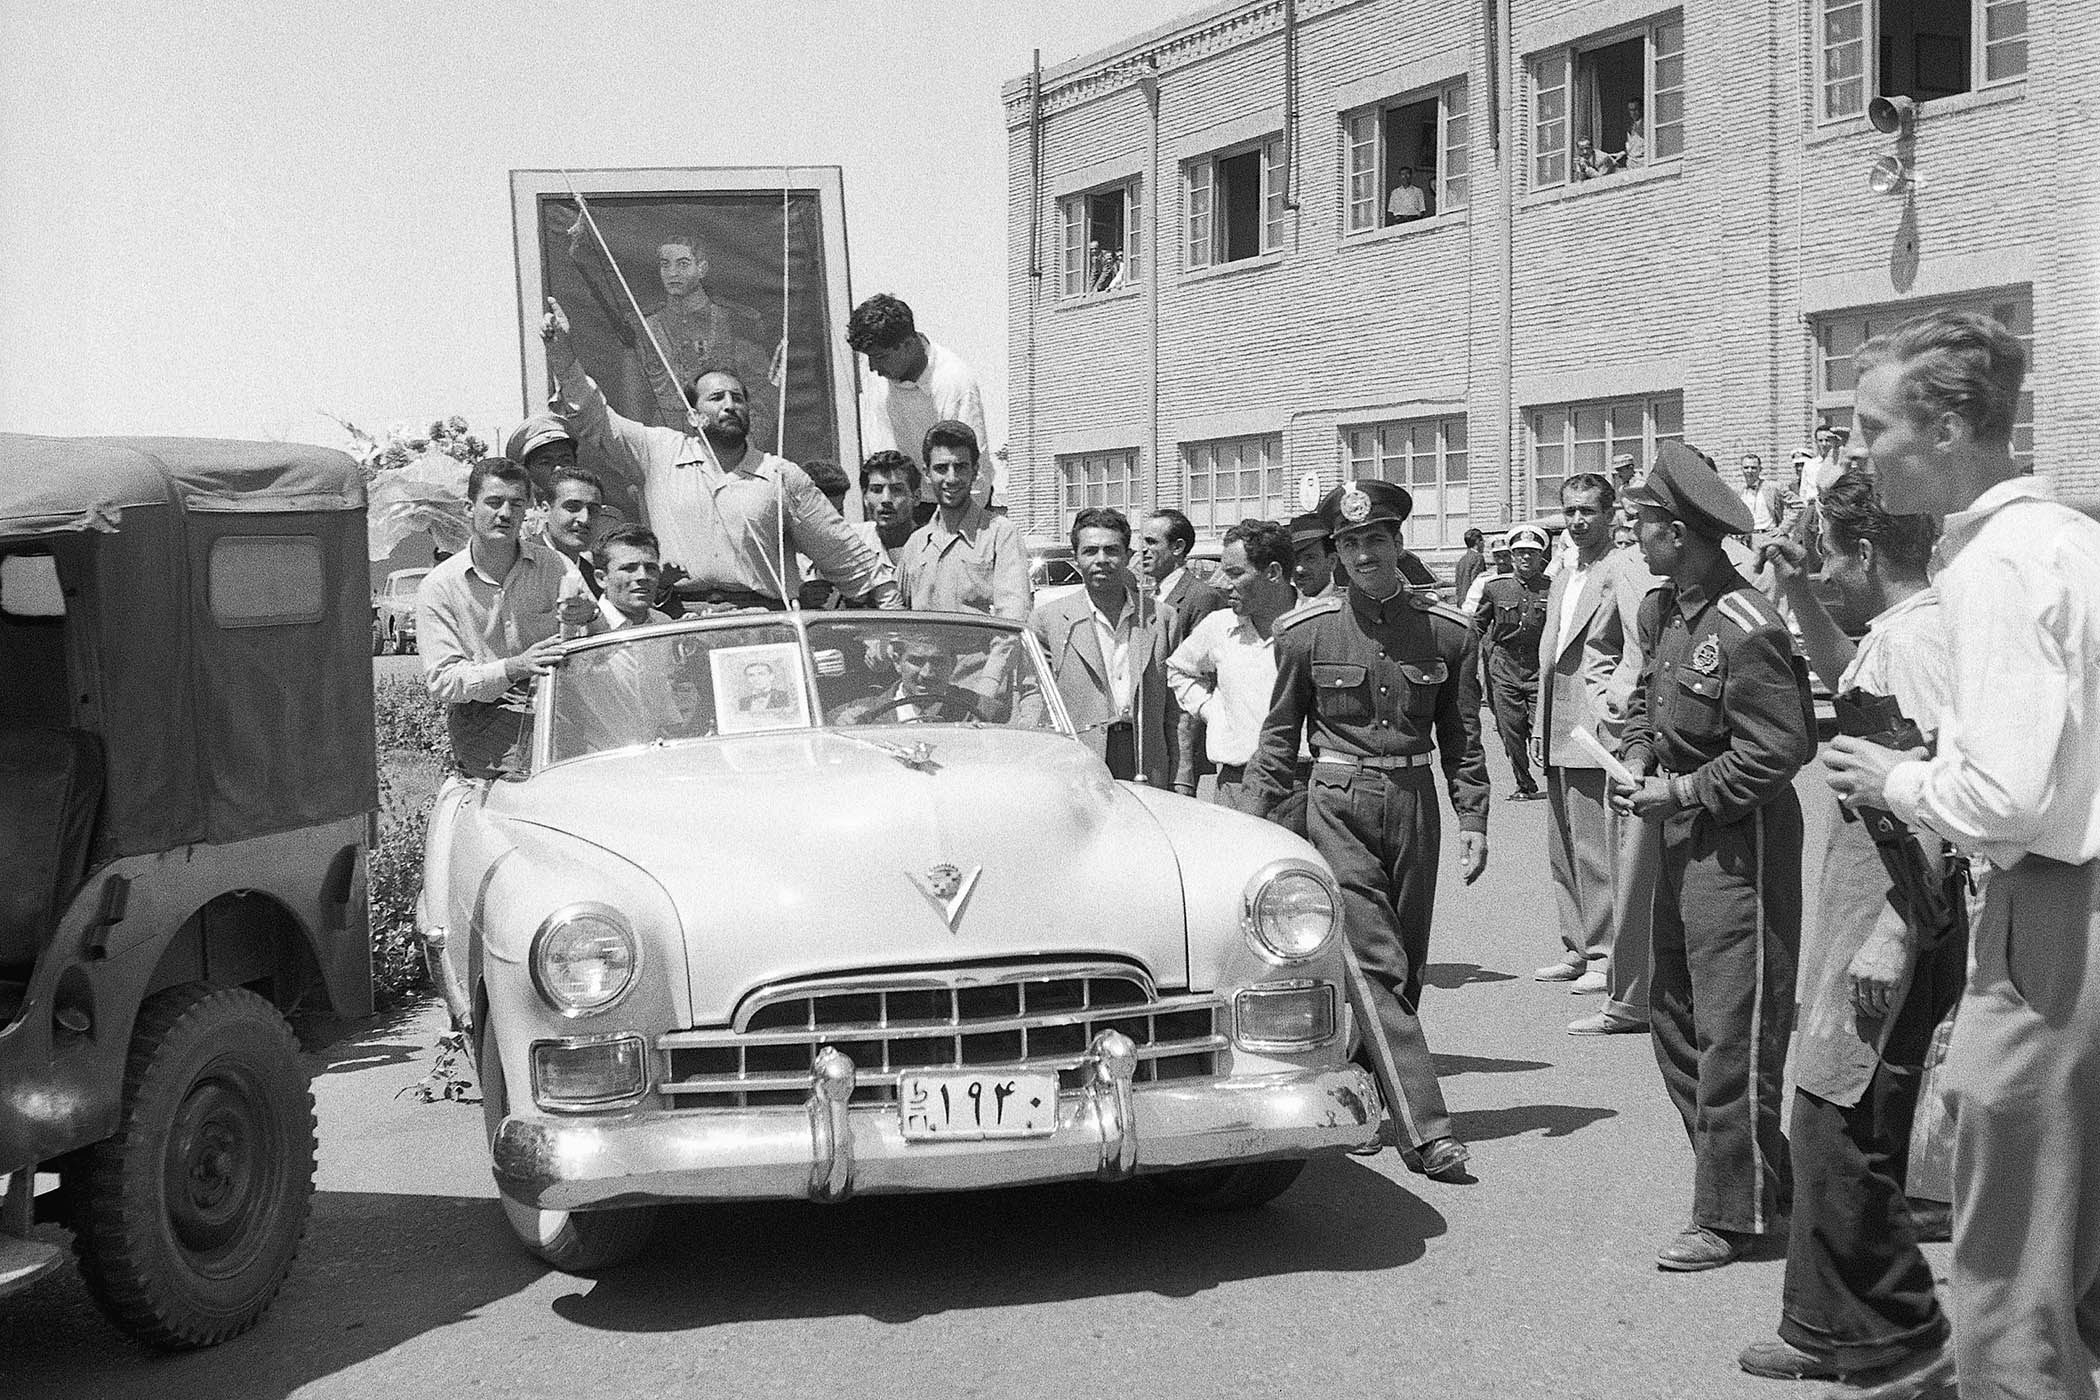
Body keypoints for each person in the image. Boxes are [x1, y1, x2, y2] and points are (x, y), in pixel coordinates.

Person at [1823, 310, 2100, 1400]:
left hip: (2052, 919)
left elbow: (2007, 794)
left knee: (2008, 1256)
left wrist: (1895, 779)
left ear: (1947, 425)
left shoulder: (1995, 563)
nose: (1860, 450)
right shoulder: (2074, 540)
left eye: (1872, 424)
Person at [1729, 471, 1965, 1391]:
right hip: (1874, 894)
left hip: (1892, 905)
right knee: (1832, 1108)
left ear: (1865, 552)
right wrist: (1794, 587)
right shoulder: (1905, 635)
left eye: (1829, 554)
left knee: (1840, 1122)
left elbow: (1939, 805)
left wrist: (1898, 932)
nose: (1824, 571)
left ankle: (1888, 1331)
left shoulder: (1921, 645)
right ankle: (1824, 1321)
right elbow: (1851, 675)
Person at [1241, 480, 1489, 1184]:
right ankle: (1427, 1131)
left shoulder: (1447, 631)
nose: (1363, 554)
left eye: (1375, 539)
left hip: (1414, 801)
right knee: (1376, 962)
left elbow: (1464, 739)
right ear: (1336, 555)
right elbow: (1278, 739)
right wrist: (1256, 825)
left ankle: (1360, 1084)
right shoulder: (1306, 633)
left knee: (1403, 965)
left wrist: (1474, 817)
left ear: (1398, 543)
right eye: (1349, 545)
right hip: (1338, 800)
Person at [1613, 443, 1817, 1272]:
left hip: (1740, 847)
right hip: (1679, 839)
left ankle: (1730, 1214)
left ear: (1683, 532)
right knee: (1674, 1019)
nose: (1637, 541)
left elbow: (1782, 748)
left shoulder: (1746, 626)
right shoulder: (1667, 613)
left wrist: (1687, 793)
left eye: (1645, 527)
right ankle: (1760, 1180)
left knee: (1735, 1030)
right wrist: (1633, 752)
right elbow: (1645, 705)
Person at [541, 296, 898, 614]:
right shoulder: (657, 452)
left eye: (737, 398)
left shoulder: (781, 476)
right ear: (693, 416)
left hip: (762, 623)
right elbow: (594, 416)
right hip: (679, 621)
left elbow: (847, 556)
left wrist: (894, 619)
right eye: (716, 399)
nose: (730, 405)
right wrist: (562, 354)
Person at [1532, 474, 1658, 1032]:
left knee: (1594, 847)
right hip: (1555, 718)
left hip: (1590, 725)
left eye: (1588, 511)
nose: (1578, 521)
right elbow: (1552, 654)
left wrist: (1610, 714)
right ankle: (1577, 944)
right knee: (1562, 844)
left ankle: (1606, 953)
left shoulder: (1620, 567)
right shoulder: (1565, 572)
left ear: (1612, 515)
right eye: (1569, 511)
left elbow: (1620, 647)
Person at [416, 457, 587, 778]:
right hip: (485, 719)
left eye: (516, 504)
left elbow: (595, 644)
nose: (505, 514)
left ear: (527, 511)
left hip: (559, 711)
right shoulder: (439, 587)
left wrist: (587, 618)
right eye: (494, 503)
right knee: (528, 794)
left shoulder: (557, 566)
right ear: (469, 508)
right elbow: (443, 681)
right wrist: (513, 668)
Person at [1166, 518, 1302, 818]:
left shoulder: (1315, 625)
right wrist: (1211, 710)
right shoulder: (1218, 626)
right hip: (1236, 786)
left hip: (1304, 786)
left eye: (1235, 573)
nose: (1222, 583)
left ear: (1274, 573)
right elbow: (1177, 670)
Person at [1028, 507, 1172, 785]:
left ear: (1128, 557)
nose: (1101, 560)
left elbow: (1177, 713)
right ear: (1076, 558)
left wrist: (1182, 777)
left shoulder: (1161, 618)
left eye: (1112, 550)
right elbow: (1036, 702)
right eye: (1090, 551)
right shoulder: (1048, 621)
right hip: (1078, 761)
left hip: (1145, 761)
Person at [848, 293, 991, 506]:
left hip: (953, 507)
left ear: (907, 344)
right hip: (900, 504)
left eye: (879, 357)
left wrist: (964, 528)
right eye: (868, 357)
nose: (872, 368)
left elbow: (974, 472)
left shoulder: (955, 382)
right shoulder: (878, 375)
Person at [897, 421, 1030, 620]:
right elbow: (896, 614)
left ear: (975, 470)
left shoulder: (1001, 535)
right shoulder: (916, 544)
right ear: (926, 473)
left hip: (982, 651)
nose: (951, 478)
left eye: (960, 467)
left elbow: (1014, 617)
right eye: (941, 468)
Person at [1139, 508, 1228, 796]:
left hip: (1182, 739)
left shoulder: (1201, 597)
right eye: (1143, 542)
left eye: (1152, 542)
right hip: (1154, 737)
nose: (1143, 551)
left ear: (1178, 548)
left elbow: (1201, 678)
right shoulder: (1150, 597)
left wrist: (1184, 766)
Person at [1474, 524, 1552, 801]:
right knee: (1510, 730)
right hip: (1504, 666)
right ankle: (1524, 783)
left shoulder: (1551, 588)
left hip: (1538, 668)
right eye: (1520, 553)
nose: (1525, 559)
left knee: (1542, 727)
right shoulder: (1496, 588)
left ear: (1541, 557)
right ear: (1512, 555)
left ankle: (1553, 780)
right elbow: (1478, 626)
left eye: (1532, 553)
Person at [833, 631, 980, 725]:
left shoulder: (979, 709)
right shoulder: (863, 713)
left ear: (952, 664)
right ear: (897, 662)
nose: (927, 673)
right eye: (916, 661)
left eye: (938, 661)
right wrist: (843, 728)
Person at [535, 465, 610, 597]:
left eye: (593, 510)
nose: (584, 519)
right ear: (546, 511)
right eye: (572, 507)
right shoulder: (522, 563)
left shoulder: (591, 574)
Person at [589, 524, 671, 631]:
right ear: (602, 578)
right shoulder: (587, 629)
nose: (643, 576)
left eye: (650, 568)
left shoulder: (663, 623)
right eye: (629, 568)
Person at [857, 450, 920, 569]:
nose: (886, 499)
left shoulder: (931, 547)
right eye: (876, 490)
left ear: (916, 497)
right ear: (865, 498)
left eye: (897, 490)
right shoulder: (852, 543)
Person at [1287, 513, 1340, 599]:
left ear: (1332, 562)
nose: (1299, 569)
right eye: (1294, 559)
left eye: (1310, 558)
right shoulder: (1284, 606)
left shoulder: (1346, 607)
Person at [1451, 527, 1487, 609]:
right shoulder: (1478, 557)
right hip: (1473, 603)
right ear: (1478, 542)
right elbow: (1477, 581)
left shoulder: (1462, 560)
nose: (1484, 544)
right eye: (1482, 541)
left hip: (1461, 602)